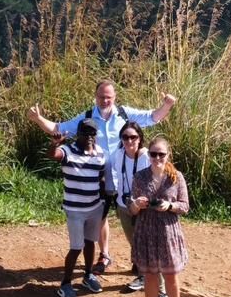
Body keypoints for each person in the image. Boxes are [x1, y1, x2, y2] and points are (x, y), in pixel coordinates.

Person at [28, 79, 177, 273]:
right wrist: (38, 119)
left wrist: (168, 104)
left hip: (126, 177)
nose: (105, 100)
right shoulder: (88, 116)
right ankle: (104, 255)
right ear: (95, 96)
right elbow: (59, 128)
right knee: (100, 216)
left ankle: (139, 258)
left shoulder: (124, 113)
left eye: (108, 97)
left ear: (115, 97)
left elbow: (153, 117)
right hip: (99, 176)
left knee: (136, 217)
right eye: (101, 97)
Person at [129, 135, 191, 297]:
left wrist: (170, 206)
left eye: (161, 154)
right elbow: (131, 210)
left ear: (168, 155)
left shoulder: (176, 177)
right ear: (149, 155)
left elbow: (185, 206)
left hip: (168, 231)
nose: (157, 158)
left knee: (171, 276)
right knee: (149, 275)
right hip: (146, 230)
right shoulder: (140, 177)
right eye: (153, 154)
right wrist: (137, 204)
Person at [107, 122, 167, 297]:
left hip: (144, 209)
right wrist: (119, 194)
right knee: (136, 246)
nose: (129, 141)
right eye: (125, 137)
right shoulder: (119, 154)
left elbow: (156, 179)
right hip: (125, 206)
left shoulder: (146, 156)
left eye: (133, 137)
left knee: (150, 251)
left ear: (140, 138)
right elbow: (116, 173)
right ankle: (143, 276)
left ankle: (162, 292)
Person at [51, 119, 108, 297]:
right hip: (75, 209)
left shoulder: (101, 154)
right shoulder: (69, 151)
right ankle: (65, 284)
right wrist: (54, 145)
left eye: (93, 134)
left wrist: (105, 201)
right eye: (85, 134)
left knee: (90, 242)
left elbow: (101, 178)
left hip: (94, 207)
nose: (89, 138)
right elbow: (55, 155)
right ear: (78, 135)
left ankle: (88, 275)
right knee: (76, 247)